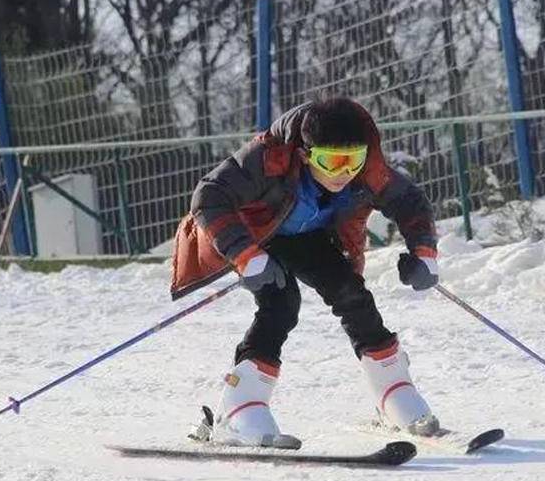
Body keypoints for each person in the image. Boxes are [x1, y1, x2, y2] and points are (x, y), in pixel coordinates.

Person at [170, 97, 441, 447]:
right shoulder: (268, 157)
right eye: (332, 161)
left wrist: (424, 253)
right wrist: (246, 256)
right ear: (305, 155)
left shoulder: (368, 171)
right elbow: (209, 196)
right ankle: (240, 408)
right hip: (257, 233)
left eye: (353, 161)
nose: (344, 173)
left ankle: (393, 391)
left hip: (308, 237)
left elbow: (411, 203)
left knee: (351, 294)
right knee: (281, 303)